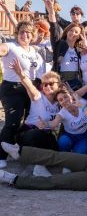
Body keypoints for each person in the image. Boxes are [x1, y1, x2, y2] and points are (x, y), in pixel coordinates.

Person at [0, 20, 42, 168]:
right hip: (12, 89)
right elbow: (1, 49)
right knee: (13, 121)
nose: (24, 35)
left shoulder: (34, 52)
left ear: (32, 36)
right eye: (22, 32)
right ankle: (1, 155)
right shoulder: (11, 47)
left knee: (29, 122)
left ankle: (18, 149)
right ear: (17, 33)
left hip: (30, 88)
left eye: (28, 33)